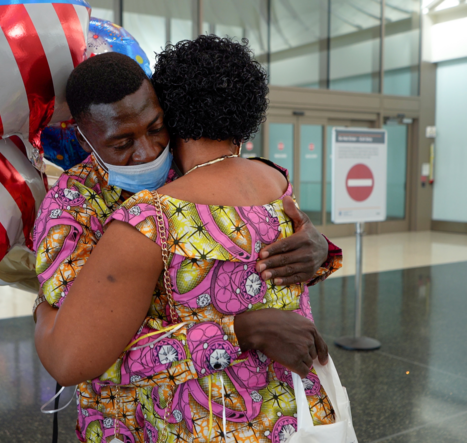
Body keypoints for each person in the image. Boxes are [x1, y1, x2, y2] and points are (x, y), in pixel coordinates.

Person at [33, 48, 342, 442]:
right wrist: (235, 333)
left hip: (224, 415)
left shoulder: (194, 167)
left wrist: (318, 252)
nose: (147, 151)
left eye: (156, 127)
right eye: (122, 142)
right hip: (126, 417)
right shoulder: (70, 206)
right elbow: (87, 351)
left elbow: (255, 264)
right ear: (85, 136)